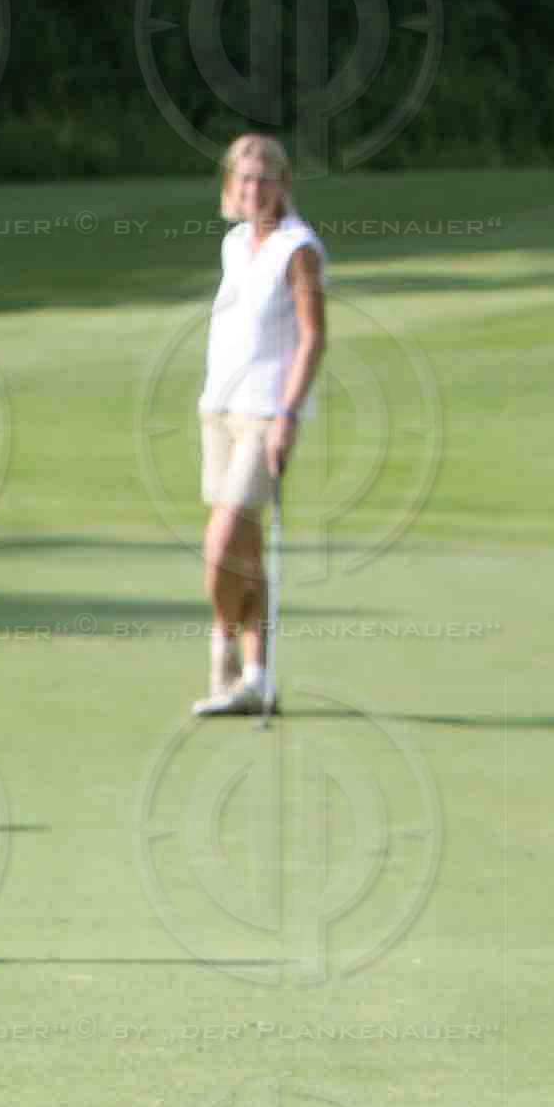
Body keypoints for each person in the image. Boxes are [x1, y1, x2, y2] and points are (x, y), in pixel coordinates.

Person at [191, 132, 326, 718]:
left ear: (283, 184)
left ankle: (224, 653)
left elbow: (313, 335)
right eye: (244, 178)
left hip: (265, 414)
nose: (254, 188)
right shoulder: (234, 243)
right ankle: (257, 676)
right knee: (244, 552)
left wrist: (289, 414)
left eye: (264, 178)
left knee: (223, 543)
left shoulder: (298, 248)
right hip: (217, 408)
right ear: (231, 185)